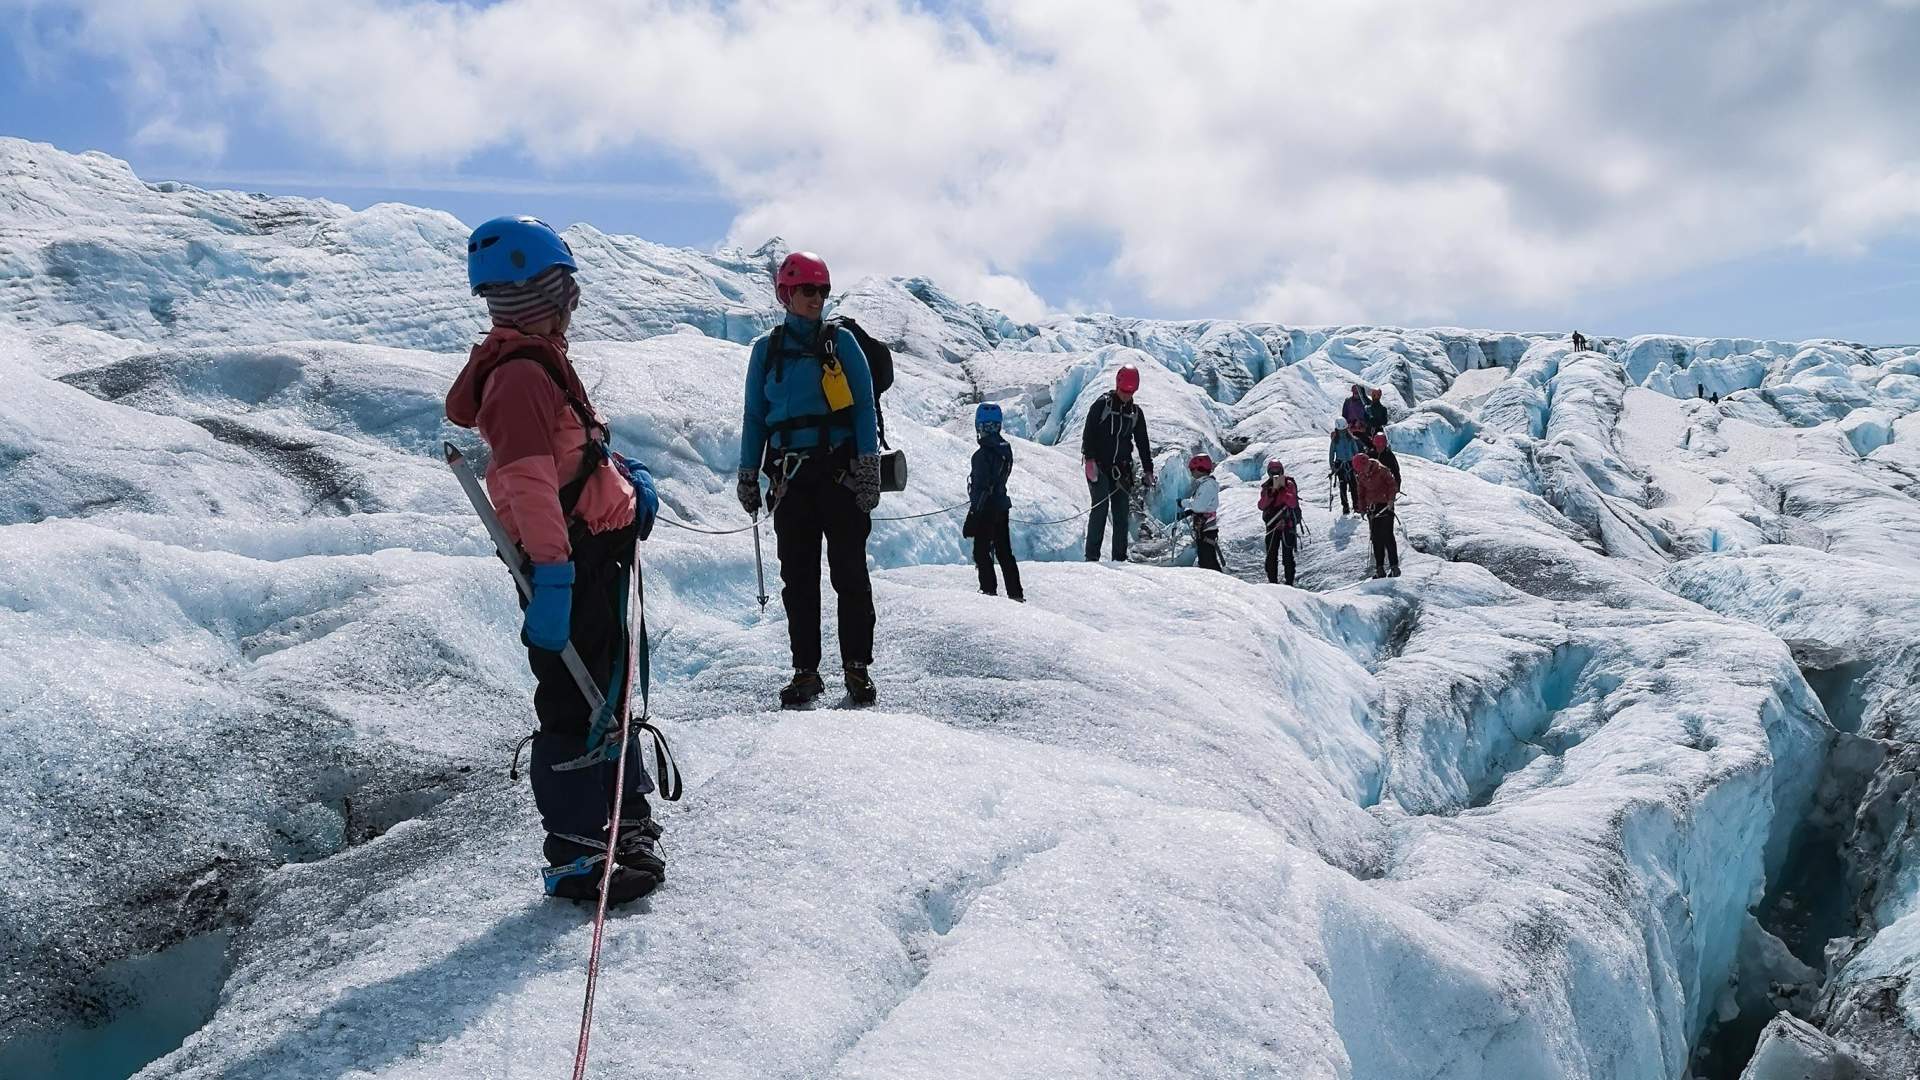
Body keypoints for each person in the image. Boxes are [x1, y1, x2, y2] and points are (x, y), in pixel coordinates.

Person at [445, 215, 665, 906]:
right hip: (571, 565)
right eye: (565, 290)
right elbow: (530, 482)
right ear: (540, 294)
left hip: (591, 555)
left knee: (606, 694)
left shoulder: (536, 364)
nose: (574, 303)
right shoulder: (520, 378)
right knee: (577, 705)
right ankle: (576, 854)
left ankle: (623, 819)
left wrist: (623, 481)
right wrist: (557, 576)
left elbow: (568, 455)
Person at [736, 251, 882, 708]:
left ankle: (856, 669)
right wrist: (747, 471)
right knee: (798, 579)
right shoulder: (767, 350)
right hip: (790, 479)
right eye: (807, 289)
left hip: (837, 474)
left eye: (821, 290)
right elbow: (755, 416)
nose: (816, 298)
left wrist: (867, 467)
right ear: (786, 294)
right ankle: (807, 672)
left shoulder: (841, 344)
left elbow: (863, 406)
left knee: (850, 574)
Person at [1081, 365, 1156, 561]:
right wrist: (1089, 460)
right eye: (1124, 391)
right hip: (1098, 466)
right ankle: (1091, 558)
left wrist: (1148, 469)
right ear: (1117, 385)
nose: (1126, 395)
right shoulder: (1102, 406)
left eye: (1130, 392)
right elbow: (1088, 433)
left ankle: (1119, 559)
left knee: (1121, 515)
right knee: (1100, 510)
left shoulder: (1135, 413)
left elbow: (1142, 442)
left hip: (1121, 470)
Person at [967, 402, 1023, 602]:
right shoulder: (1005, 451)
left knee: (981, 551)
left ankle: (988, 591)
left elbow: (981, 487)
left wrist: (974, 514)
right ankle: (1016, 593)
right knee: (1004, 551)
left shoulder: (981, 456)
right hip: (1001, 506)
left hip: (986, 509)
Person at [1353, 448, 1401, 578]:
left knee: (1387, 536)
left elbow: (1392, 485)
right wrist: (1362, 508)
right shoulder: (1362, 476)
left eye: (1363, 468)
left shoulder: (1382, 470)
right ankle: (1380, 568)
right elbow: (1361, 493)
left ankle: (1394, 567)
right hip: (1372, 509)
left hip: (1386, 506)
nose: (1362, 471)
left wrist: (1391, 500)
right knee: (1376, 539)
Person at [1176, 452, 1224, 572]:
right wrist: (1188, 512)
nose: (1191, 472)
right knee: (1206, 558)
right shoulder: (1205, 484)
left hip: (1206, 529)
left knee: (1207, 560)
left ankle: (1218, 584)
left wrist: (1183, 503)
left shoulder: (1207, 485)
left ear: (1201, 469)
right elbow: (1202, 505)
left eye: (1193, 469)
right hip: (1204, 528)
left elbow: (1199, 506)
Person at [1258, 458, 1302, 586]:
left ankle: (1289, 583)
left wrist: (1283, 491)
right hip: (1272, 525)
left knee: (1288, 556)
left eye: (1277, 471)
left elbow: (1292, 503)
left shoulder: (1289, 484)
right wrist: (1271, 494)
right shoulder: (1267, 487)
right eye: (1273, 471)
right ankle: (1273, 583)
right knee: (1271, 555)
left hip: (1287, 524)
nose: (1275, 474)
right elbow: (1261, 505)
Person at [1328, 422, 1361, 514]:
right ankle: (1355, 506)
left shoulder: (1336, 440)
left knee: (1346, 486)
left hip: (1343, 465)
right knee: (1352, 485)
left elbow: (1331, 455)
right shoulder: (1350, 438)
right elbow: (1356, 452)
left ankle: (1347, 507)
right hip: (1348, 465)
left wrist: (1333, 467)